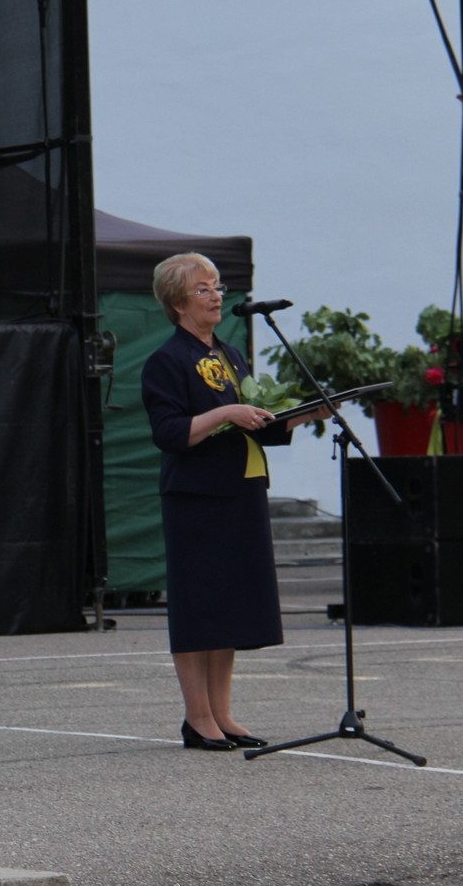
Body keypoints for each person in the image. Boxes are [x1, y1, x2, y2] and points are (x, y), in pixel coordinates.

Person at [141, 252, 329, 751]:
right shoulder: (167, 360)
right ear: (178, 302)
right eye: (204, 289)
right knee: (199, 605)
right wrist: (227, 410)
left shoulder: (231, 353)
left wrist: (301, 416)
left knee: (227, 606)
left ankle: (223, 714)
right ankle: (196, 718)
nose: (216, 295)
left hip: (241, 487)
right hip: (197, 496)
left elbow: (256, 427)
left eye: (218, 286)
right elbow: (170, 433)